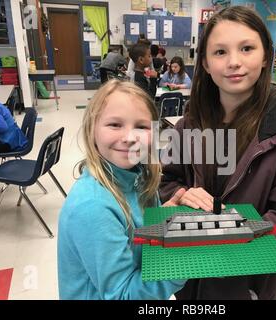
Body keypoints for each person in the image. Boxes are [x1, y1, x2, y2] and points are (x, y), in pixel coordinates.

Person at [159, 6, 276, 300]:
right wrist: (181, 194)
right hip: (187, 280)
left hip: (246, 285)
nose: (234, 62)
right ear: (205, 62)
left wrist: (234, 244)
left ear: (265, 56)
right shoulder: (190, 125)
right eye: (220, 52)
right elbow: (167, 182)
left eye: (247, 48)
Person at [57, 80, 186, 300]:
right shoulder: (93, 207)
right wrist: (182, 265)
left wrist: (161, 218)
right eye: (115, 125)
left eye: (142, 126)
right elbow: (122, 296)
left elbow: (137, 238)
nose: (129, 138)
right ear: (92, 130)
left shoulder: (140, 177)